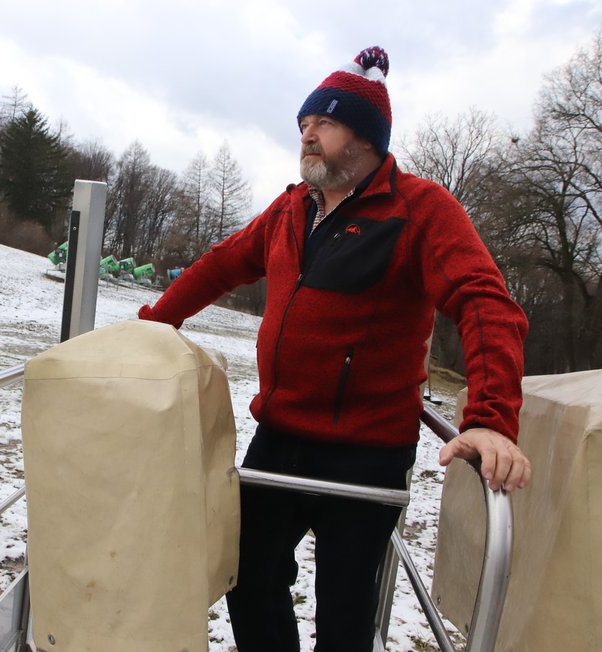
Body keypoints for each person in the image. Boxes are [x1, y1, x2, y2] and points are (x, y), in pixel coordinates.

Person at [137, 46, 532, 652]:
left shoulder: (421, 210)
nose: (307, 136)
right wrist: (153, 325)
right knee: (246, 577)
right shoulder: (291, 207)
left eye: (323, 123)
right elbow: (221, 265)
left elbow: (486, 303)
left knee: (345, 612)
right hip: (282, 435)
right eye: (303, 125)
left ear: (366, 137)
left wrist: (491, 420)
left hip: (366, 451)